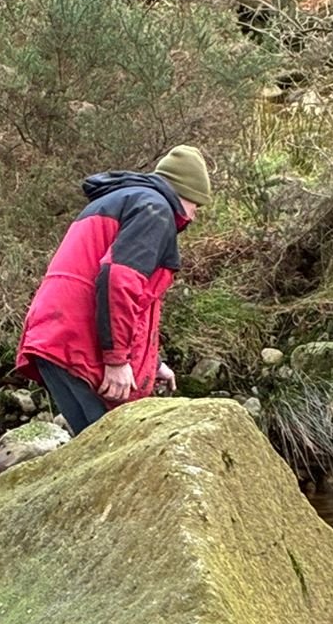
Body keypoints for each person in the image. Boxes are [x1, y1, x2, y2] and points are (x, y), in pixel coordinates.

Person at [16, 146, 211, 434]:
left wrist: (152, 363)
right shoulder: (154, 210)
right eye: (197, 204)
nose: (193, 216)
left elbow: (129, 299)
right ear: (185, 192)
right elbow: (119, 281)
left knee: (91, 450)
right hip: (79, 343)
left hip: (53, 336)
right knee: (112, 446)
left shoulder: (121, 201)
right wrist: (117, 360)